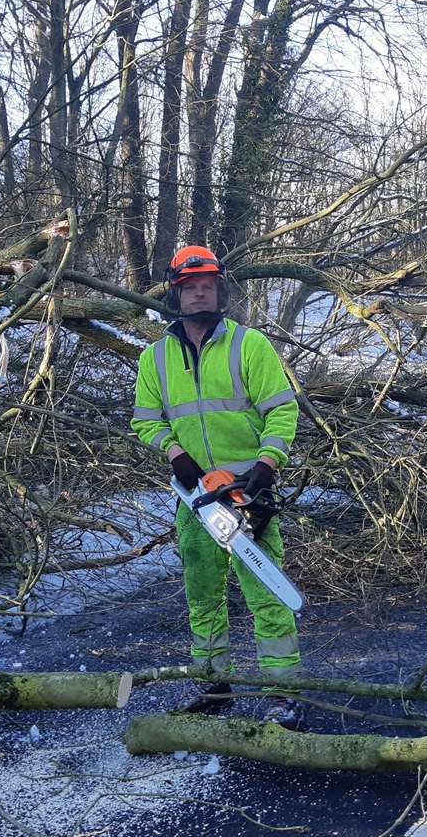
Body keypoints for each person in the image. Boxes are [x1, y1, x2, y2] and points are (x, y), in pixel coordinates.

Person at [130, 245, 306, 730]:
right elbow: (145, 420)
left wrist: (267, 465)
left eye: (206, 285)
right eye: (189, 287)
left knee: (267, 594)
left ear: (219, 290)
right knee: (201, 593)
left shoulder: (250, 345)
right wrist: (175, 454)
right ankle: (212, 684)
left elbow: (282, 409)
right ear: (176, 294)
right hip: (194, 497)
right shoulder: (156, 357)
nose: (198, 293)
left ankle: (283, 693)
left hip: (249, 489)